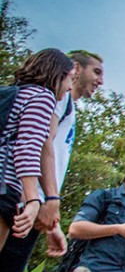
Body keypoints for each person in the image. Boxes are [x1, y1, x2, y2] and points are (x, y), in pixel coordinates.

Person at [0, 49, 103, 272]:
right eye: (96, 71)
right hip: (17, 194)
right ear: (74, 70)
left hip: (24, 196)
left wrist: (51, 219)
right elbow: (36, 145)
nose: (101, 81)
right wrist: (42, 200)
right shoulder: (48, 98)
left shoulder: (33, 96)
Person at [0, 48, 74, 260]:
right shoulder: (42, 97)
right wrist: (33, 200)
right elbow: (28, 148)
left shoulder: (15, 95)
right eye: (70, 79)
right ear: (58, 75)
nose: (69, 88)